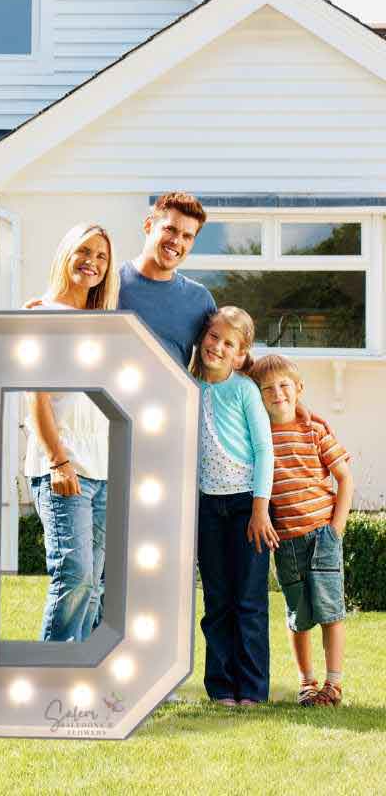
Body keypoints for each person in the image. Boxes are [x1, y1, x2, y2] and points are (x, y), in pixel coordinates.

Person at [22, 222, 118, 642]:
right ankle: (50, 680)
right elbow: (35, 397)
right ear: (66, 254)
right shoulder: (42, 315)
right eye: (84, 251)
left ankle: (77, 688)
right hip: (61, 466)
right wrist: (58, 461)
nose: (92, 263)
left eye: (101, 257)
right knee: (74, 576)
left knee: (94, 587)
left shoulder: (105, 323)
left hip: (103, 469)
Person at [250, 354, 354, 707]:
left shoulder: (314, 429)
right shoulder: (259, 434)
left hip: (321, 534)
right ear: (258, 396)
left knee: (330, 610)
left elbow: (344, 479)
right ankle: (307, 682)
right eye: (268, 389)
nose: (277, 394)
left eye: (284, 386)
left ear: (299, 389)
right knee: (298, 615)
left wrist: (335, 530)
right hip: (286, 541)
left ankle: (333, 684)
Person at [191, 306, 277, 706]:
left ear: (241, 353)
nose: (218, 347)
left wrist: (261, 508)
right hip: (208, 509)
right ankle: (222, 688)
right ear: (202, 337)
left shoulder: (243, 389)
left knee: (248, 601)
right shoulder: (188, 386)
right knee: (217, 600)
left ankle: (253, 690)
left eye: (229, 343)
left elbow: (264, 448)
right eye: (214, 337)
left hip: (248, 507)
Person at [117, 191, 216, 367]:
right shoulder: (109, 283)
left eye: (187, 236)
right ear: (148, 226)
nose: (177, 241)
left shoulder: (200, 300)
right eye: (170, 229)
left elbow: (220, 364)